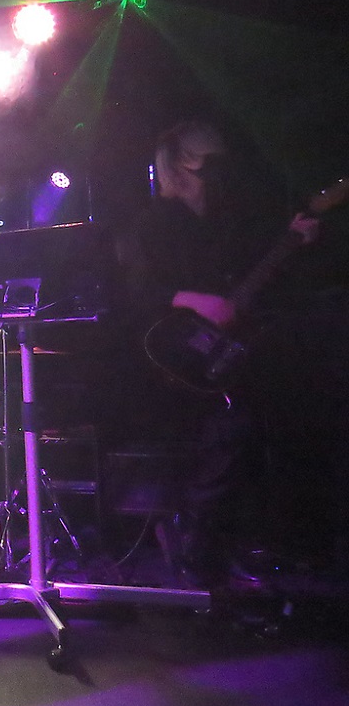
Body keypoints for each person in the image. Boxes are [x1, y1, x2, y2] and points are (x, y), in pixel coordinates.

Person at [118, 120, 324, 587]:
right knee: (229, 429)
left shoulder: (224, 220)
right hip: (173, 352)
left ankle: (235, 543)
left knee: (257, 425)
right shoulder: (154, 222)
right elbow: (138, 292)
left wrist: (294, 240)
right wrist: (196, 301)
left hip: (228, 351)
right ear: (183, 163)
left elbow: (248, 282)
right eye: (207, 159)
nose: (218, 168)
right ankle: (194, 540)